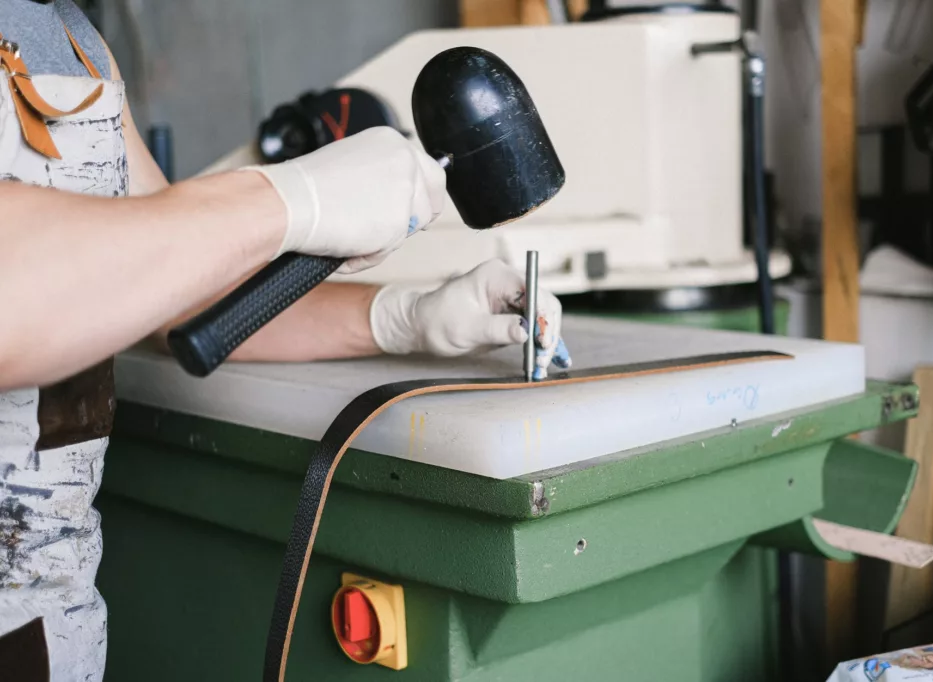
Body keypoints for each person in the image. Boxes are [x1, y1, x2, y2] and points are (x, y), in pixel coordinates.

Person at [0, 2, 567, 679]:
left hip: (54, 620)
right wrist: (286, 199)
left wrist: (402, 316)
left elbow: (171, 289)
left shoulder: (66, 36)